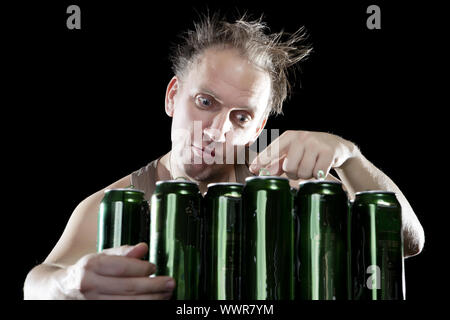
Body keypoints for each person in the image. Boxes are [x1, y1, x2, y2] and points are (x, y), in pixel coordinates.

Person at [23, 13, 425, 300]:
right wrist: (67, 285)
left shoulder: (287, 185)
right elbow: (38, 282)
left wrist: (350, 158)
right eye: (204, 101)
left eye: (241, 116)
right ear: (172, 96)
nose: (216, 130)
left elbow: (408, 241)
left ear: (259, 125)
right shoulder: (116, 202)